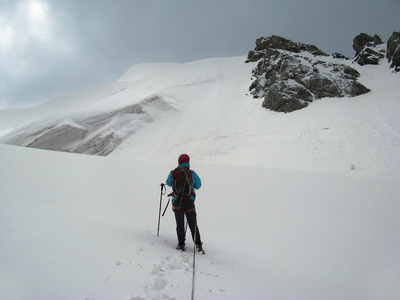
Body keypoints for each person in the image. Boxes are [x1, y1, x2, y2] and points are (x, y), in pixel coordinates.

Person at [166, 154, 204, 253]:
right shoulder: (191, 173)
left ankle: (181, 244)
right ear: (188, 161)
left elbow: (169, 182)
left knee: (180, 223)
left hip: (177, 202)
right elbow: (198, 185)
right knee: (193, 224)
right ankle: (198, 245)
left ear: (179, 161)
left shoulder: (173, 173)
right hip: (189, 202)